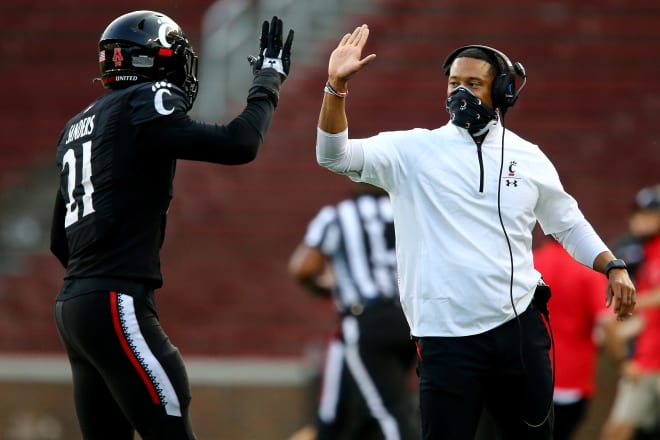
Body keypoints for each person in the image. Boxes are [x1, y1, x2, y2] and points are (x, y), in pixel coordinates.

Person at [314, 24, 637, 439]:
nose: (459, 93)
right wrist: (335, 86)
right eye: (453, 83)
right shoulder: (413, 150)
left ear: (502, 91)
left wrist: (612, 265)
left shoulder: (529, 156)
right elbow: (332, 155)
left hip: (518, 329)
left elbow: (567, 222)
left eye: (472, 83)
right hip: (444, 337)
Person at [49, 10, 293, 440]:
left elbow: (59, 239)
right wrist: (267, 83)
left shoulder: (76, 126)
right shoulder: (146, 99)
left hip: (73, 306)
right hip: (114, 300)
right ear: (153, 61)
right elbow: (239, 144)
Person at [288, 182, 419, 440]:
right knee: (387, 401)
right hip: (413, 319)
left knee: (387, 410)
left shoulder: (338, 215)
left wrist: (325, 289)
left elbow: (303, 268)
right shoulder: (408, 213)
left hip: (367, 321)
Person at [533, 235, 611, 439]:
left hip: (528, 373)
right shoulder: (587, 270)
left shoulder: (529, 262)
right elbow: (606, 324)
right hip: (572, 381)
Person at [601, 184, 660, 440]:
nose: (642, 220)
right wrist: (626, 357)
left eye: (651, 214)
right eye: (640, 214)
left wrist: (629, 301)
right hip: (646, 358)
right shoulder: (643, 253)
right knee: (617, 430)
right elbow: (646, 316)